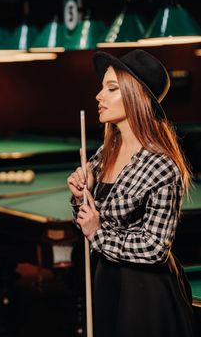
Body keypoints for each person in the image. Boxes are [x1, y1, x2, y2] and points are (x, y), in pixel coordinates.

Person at [67, 49, 196, 337]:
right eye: (102, 87)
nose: (99, 96)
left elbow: (154, 247)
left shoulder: (162, 165)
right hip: (107, 281)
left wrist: (97, 233)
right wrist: (81, 196)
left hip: (146, 296)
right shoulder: (105, 153)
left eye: (111, 88)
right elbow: (89, 221)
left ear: (135, 95)